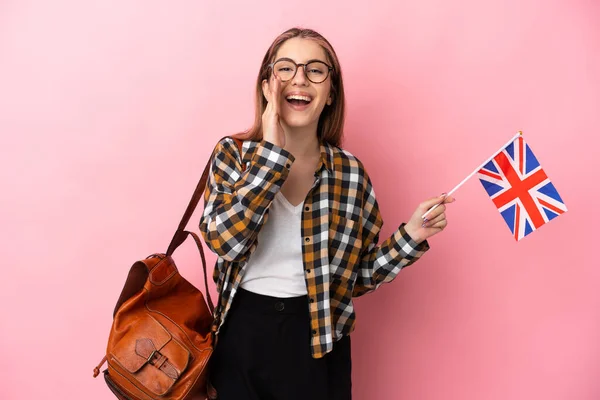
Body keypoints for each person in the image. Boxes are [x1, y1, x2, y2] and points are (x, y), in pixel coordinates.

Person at [198, 27, 454, 400]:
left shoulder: (350, 173)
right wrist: (271, 153)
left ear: (331, 92)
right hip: (240, 335)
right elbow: (225, 243)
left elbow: (357, 278)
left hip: (319, 341)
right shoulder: (233, 155)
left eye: (315, 70)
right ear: (267, 84)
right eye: (285, 68)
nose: (299, 79)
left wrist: (410, 237)